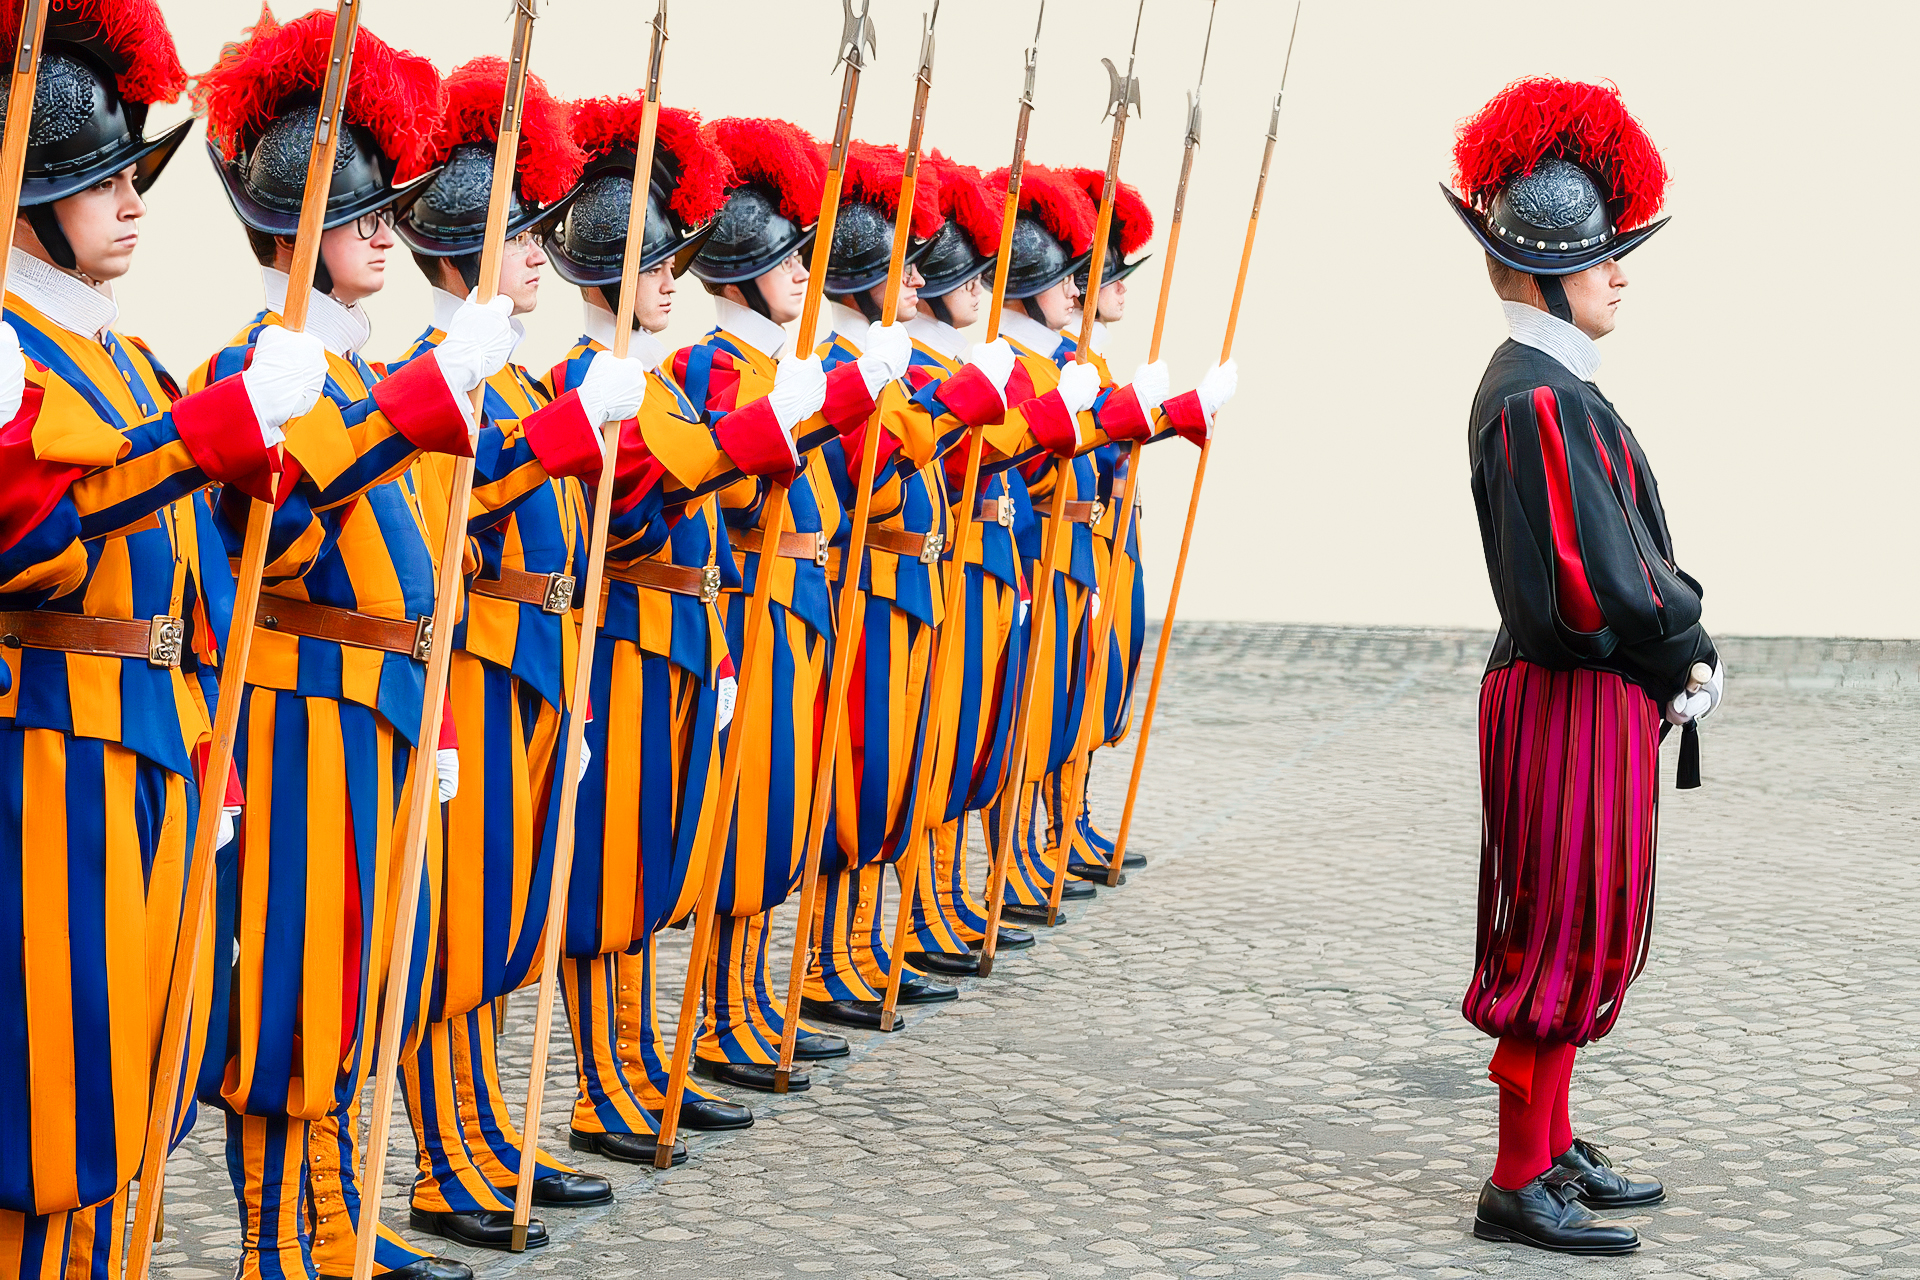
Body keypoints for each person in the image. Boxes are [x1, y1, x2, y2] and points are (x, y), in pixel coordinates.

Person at [192, 11, 511, 1277]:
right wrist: (403, 410)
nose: (385, 230)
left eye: (393, 212)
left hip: (376, 702)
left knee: (365, 981)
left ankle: (341, 1226)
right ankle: (286, 1245)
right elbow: (278, 536)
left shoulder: (362, 367)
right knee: (294, 997)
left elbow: (420, 571)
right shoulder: (253, 365)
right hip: (298, 710)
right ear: (291, 226)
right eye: (360, 211)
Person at [0, 7, 304, 1275]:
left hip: (151, 729)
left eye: (129, 175)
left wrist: (210, 731)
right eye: (94, 182)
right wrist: (204, 435)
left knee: (137, 1055)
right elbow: (31, 545)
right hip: (51, 733)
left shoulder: (119, 346)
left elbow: (203, 557)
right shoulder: (15, 348)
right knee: (49, 1073)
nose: (129, 202)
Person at [1442, 75, 1722, 1255]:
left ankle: (1549, 1142)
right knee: (1559, 929)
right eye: (1604, 253)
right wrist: (1683, 636)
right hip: (1570, 689)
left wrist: (1667, 647)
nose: (1621, 271)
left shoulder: (1550, 389)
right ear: (1550, 270)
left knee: (1581, 919)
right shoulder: (1536, 400)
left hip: (1584, 692)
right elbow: (1592, 579)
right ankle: (1518, 1175)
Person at [389, 56, 624, 1249]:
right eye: (517, 231)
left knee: (507, 911)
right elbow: (448, 521)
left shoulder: (514, 368)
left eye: (539, 230)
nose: (541, 251)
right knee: (459, 920)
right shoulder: (423, 377)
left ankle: (482, 1130)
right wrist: (555, 439)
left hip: (534, 654)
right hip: (469, 663)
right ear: (455, 248)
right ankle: (445, 1161)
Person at [541, 94, 800, 1162]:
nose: (671, 280)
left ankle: (640, 1058)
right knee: (609, 876)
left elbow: (711, 532)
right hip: (627, 644)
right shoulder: (587, 383)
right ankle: (605, 1086)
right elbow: (673, 475)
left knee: (656, 867)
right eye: (655, 261)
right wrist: (790, 419)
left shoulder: (648, 379)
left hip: (683, 639)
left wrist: (727, 651)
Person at [676, 115, 875, 1090]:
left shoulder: (788, 360)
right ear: (737, 269)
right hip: (753, 585)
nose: (803, 266)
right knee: (746, 812)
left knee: (788, 806)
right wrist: (800, 409)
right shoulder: (713, 365)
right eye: (783, 251)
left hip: (804, 585)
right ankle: (714, 1014)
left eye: (804, 250)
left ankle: (749, 995)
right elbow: (726, 481)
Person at [896, 153, 1037, 975]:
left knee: (968, 744)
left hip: (973, 561)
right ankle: (896, 922)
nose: (980, 290)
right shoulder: (912, 370)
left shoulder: (945, 366)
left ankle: (942, 898)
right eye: (968, 276)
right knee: (902, 767)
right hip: (907, 578)